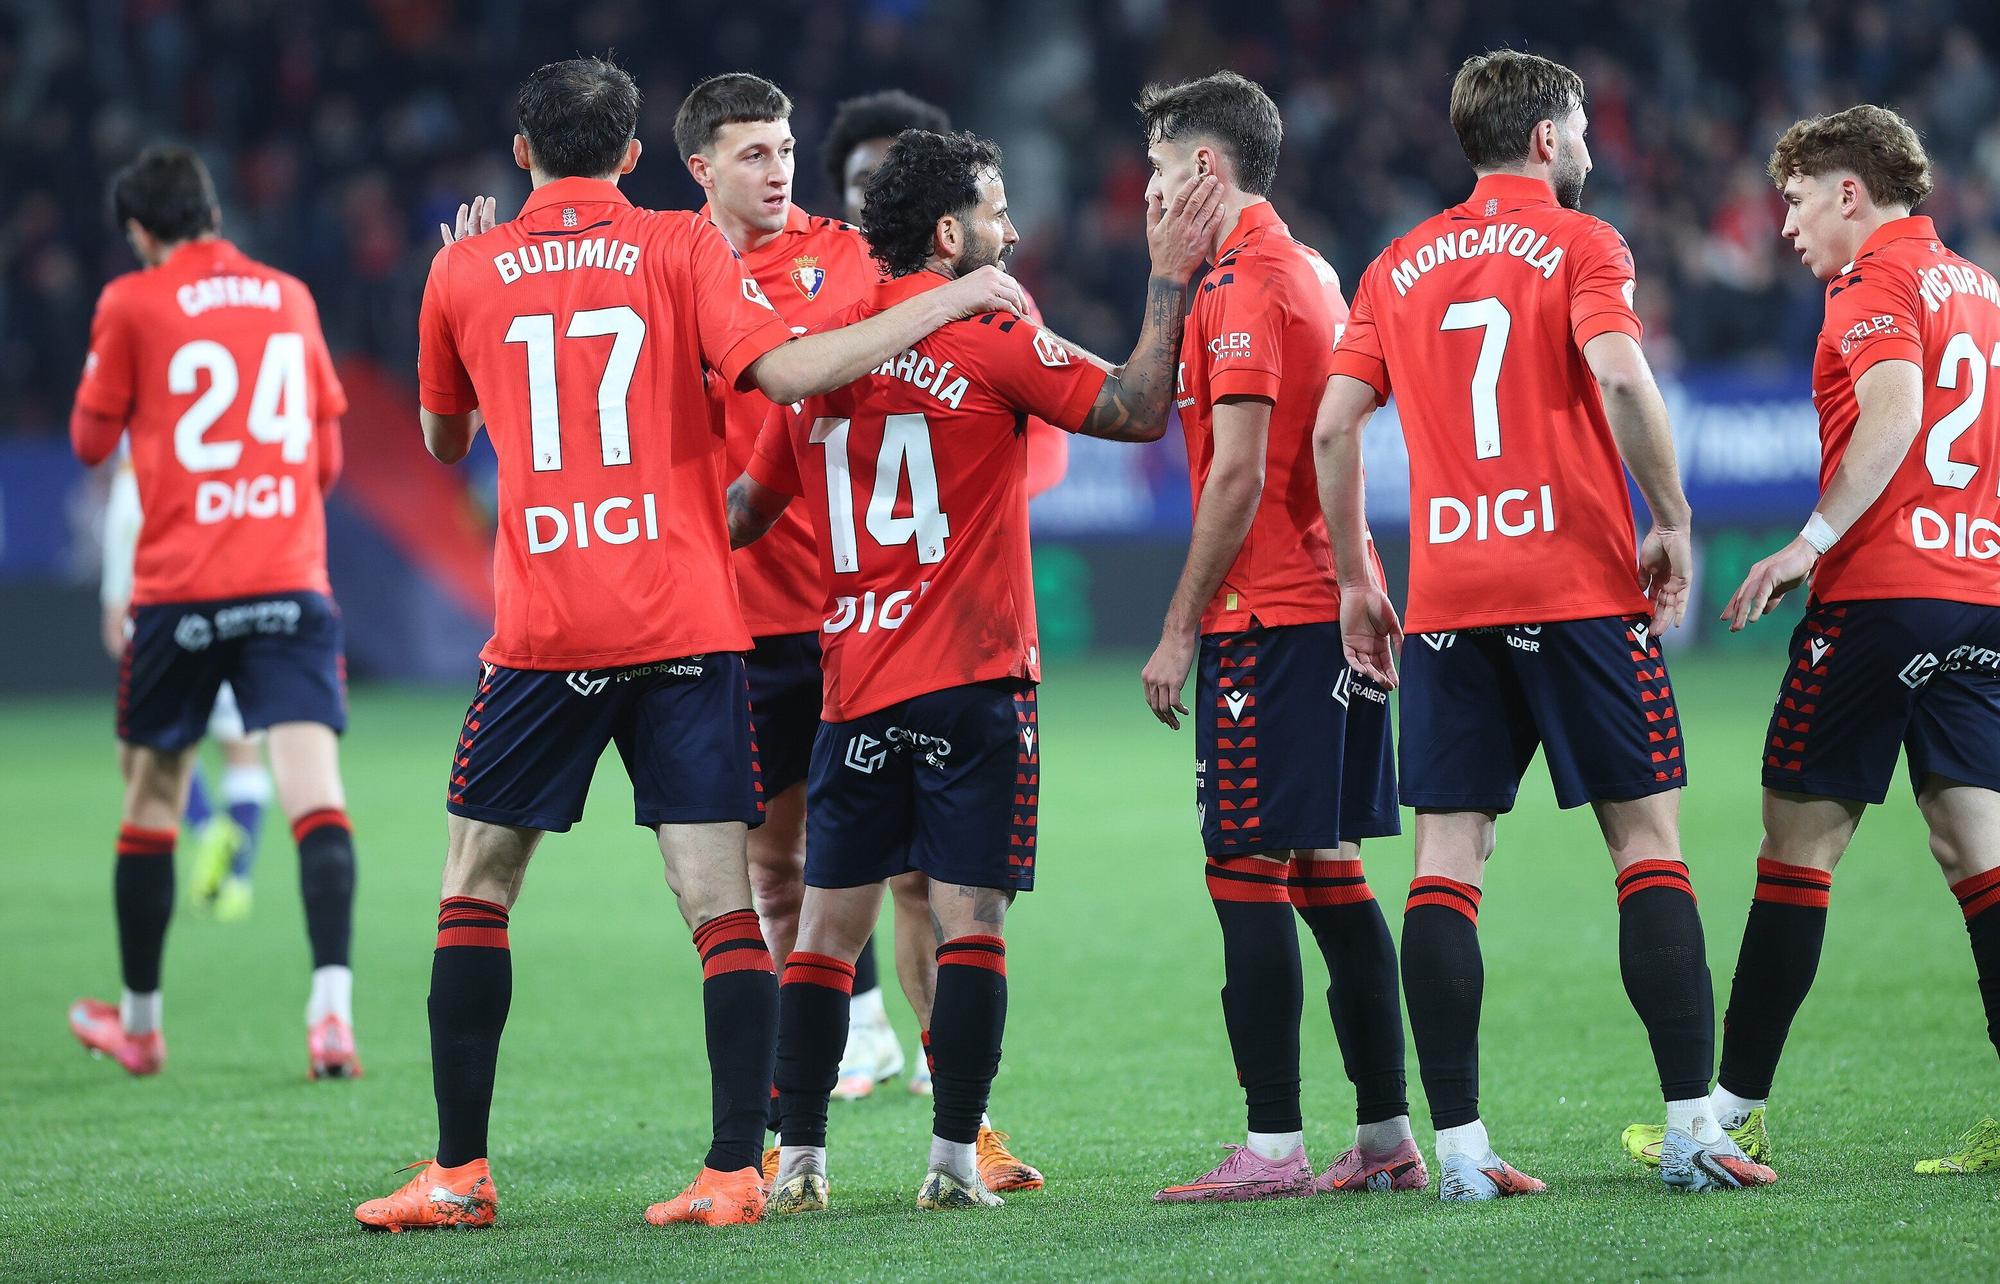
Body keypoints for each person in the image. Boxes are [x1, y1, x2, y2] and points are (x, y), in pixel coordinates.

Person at [352, 55, 1027, 1233]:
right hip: (685, 620)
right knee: (721, 902)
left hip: (544, 628)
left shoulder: (464, 266)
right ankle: (730, 1171)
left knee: (477, 890)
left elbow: (442, 437)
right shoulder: (679, 247)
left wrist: (460, 284)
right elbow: (788, 372)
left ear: (522, 155)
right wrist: (955, 296)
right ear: (634, 155)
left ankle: (458, 1172)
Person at [728, 127, 1219, 1212]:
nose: (1009, 232)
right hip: (973, 681)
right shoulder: (989, 335)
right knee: (970, 925)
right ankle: (953, 1157)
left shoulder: (824, 356)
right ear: (950, 233)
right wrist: (1168, 280)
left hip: (853, 681)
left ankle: (798, 1158)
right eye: (995, 213)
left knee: (821, 933)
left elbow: (747, 512)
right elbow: (1137, 409)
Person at [1311, 49, 1774, 1197]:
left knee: (1446, 862)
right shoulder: (1581, 242)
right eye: (1574, 130)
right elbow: (1620, 379)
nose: (1583, 146)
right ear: (1541, 140)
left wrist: (1351, 583)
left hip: (1450, 597)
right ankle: (1688, 1131)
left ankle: (1460, 1152)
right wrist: (1667, 516)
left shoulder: (1395, 262)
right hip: (1574, 588)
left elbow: (1330, 431)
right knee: (1644, 843)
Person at [1620, 105, 2000, 1179]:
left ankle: (1725, 1115)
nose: (1782, 224)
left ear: (1848, 192)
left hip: (1880, 596)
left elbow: (1892, 410)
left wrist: (1805, 544)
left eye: (1793, 200)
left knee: (1795, 850)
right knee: (1976, 850)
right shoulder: (1978, 289)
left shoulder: (1871, 283)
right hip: (1976, 595)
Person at [1131, 71, 1419, 1204]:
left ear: (1205, 171)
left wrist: (1176, 628)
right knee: (1322, 872)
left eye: (1159, 173)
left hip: (1274, 619)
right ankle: (1386, 1134)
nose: (1148, 195)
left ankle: (1272, 1149)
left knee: (1241, 870)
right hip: (1324, 608)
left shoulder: (1247, 285)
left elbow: (1240, 471)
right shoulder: (1300, 267)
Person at [67, 145, 361, 1082]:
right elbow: (326, 462)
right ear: (214, 210)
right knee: (316, 791)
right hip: (287, 577)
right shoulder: (288, 296)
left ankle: (143, 1025)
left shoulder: (131, 301)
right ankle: (330, 1017)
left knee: (152, 796)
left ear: (141, 233)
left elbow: (86, 442)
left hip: (183, 586)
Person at [819, 88, 1074, 1110]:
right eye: (851, 181)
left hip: (899, 631)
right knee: (793, 873)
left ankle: (923, 1064)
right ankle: (859, 1044)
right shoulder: (816, 316)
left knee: (921, 882)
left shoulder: (975, 321)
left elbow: (1041, 443)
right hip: (812, 622)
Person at [100, 449, 274, 922]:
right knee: (242, 748)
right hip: (238, 607)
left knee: (159, 750)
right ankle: (237, 881)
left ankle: (208, 828)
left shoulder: (150, 423)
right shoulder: (238, 435)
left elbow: (126, 516)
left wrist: (114, 598)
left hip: (166, 612)